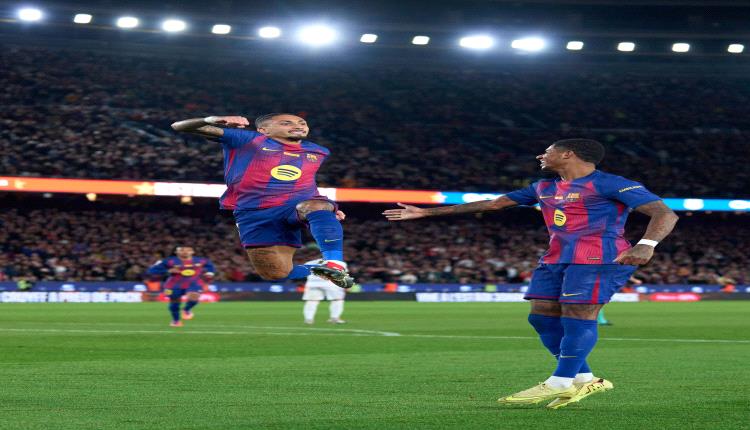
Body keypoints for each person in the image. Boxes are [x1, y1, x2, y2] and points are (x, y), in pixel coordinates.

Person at [383, 139, 678, 409]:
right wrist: (426, 213)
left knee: (578, 313)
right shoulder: (542, 187)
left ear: (568, 154)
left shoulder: (612, 183)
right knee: (541, 317)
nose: (540, 156)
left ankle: (560, 381)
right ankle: (585, 379)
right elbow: (494, 204)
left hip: (598, 257)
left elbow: (665, 213)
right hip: (555, 258)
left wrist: (647, 244)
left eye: (547, 151)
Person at [170, 114, 353, 289]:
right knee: (276, 273)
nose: (298, 126)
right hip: (253, 212)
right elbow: (178, 126)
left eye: (302, 123)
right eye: (286, 123)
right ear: (264, 130)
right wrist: (211, 120)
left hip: (294, 207)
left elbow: (306, 180)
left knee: (316, 205)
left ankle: (334, 262)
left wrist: (325, 210)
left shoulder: (318, 151)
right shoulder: (248, 140)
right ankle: (318, 269)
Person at [146, 246, 216, 327]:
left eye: (188, 250)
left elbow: (210, 265)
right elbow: (151, 270)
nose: (185, 252)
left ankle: (186, 309)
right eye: (182, 250)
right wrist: (168, 270)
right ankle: (176, 320)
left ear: (192, 252)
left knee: (194, 298)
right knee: (175, 303)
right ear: (176, 252)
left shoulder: (200, 260)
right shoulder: (168, 261)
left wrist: (210, 273)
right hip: (174, 285)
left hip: (193, 283)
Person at [302, 258, 348, 325]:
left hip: (313, 283)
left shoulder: (309, 262)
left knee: (311, 301)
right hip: (331, 284)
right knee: (337, 300)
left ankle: (308, 319)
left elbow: (304, 273)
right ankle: (335, 318)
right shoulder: (340, 263)